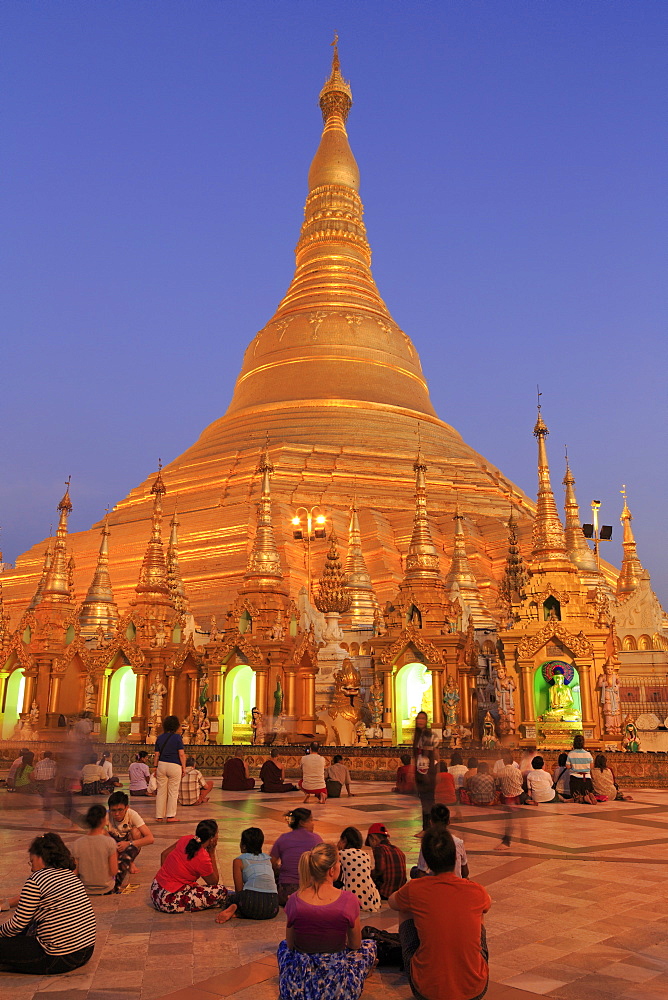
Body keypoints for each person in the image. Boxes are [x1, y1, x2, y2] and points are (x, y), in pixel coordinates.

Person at [388, 826, 490, 1000]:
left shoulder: (415, 889)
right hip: (475, 989)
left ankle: (421, 966)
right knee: (478, 913)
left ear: (427, 860)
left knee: (404, 909)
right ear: (454, 855)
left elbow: (392, 901)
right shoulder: (476, 890)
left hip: (427, 990)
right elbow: (487, 903)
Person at [277, 842, 377, 1000]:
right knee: (368, 946)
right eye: (338, 861)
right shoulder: (348, 900)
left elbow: (290, 945)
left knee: (282, 947)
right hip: (336, 989)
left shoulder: (294, 900)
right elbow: (355, 944)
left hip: (298, 989)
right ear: (332, 870)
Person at [0, 833, 95, 974]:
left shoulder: (36, 880)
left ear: (40, 856)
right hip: (85, 951)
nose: (31, 866)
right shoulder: (69, 874)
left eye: (31, 860)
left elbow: (18, 924)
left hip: (58, 958)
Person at [151, 818, 235, 918]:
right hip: (169, 901)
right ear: (212, 838)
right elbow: (213, 882)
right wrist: (212, 852)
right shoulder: (203, 857)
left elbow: (164, 854)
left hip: (156, 891)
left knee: (200, 888)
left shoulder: (186, 839)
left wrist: (169, 876)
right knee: (221, 891)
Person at [218, 826, 279, 922]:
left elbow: (239, 890)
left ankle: (236, 909)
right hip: (272, 907)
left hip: (249, 903)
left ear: (243, 846)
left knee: (231, 897)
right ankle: (238, 913)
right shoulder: (269, 860)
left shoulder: (239, 861)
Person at [270, 807, 323, 907]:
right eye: (311, 820)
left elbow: (271, 862)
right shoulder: (316, 839)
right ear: (302, 823)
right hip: (310, 890)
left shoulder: (283, 838)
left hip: (286, 891)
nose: (313, 824)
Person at [107, 791, 155, 890]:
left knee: (136, 832)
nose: (116, 814)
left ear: (127, 807)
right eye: (113, 810)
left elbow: (150, 838)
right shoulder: (106, 816)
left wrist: (129, 843)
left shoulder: (132, 814)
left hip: (128, 841)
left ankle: (131, 861)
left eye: (120, 810)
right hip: (113, 843)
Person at [412, 803, 469, 880]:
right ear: (448, 822)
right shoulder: (458, 842)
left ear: (431, 822)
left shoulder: (429, 841)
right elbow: (465, 872)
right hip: (456, 881)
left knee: (414, 871)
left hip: (435, 883)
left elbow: (421, 873)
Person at [71, 804, 118, 895]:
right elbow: (113, 871)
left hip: (85, 889)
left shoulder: (77, 843)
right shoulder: (110, 842)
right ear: (103, 820)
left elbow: (75, 872)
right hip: (106, 888)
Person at [337, 826, 381, 912]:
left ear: (344, 840)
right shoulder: (366, 855)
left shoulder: (341, 854)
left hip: (351, 895)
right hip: (370, 896)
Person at [153, 715, 186, 821]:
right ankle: (170, 816)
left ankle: (159, 816)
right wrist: (184, 768)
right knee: (173, 791)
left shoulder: (159, 738)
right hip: (174, 765)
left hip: (162, 765)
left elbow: (156, 754)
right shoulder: (177, 737)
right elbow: (181, 754)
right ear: (176, 726)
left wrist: (155, 767)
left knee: (161, 791)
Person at [365, 822, 407, 899]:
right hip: (399, 891)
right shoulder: (398, 850)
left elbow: (380, 870)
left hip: (385, 892)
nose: (371, 847)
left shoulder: (379, 848)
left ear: (373, 838)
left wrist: (367, 875)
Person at [567, 734, 597, 805]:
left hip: (575, 779)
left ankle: (584, 798)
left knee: (576, 797)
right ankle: (589, 795)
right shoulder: (588, 754)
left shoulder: (571, 754)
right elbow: (591, 766)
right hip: (587, 779)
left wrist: (574, 767)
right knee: (586, 791)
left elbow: (568, 766)